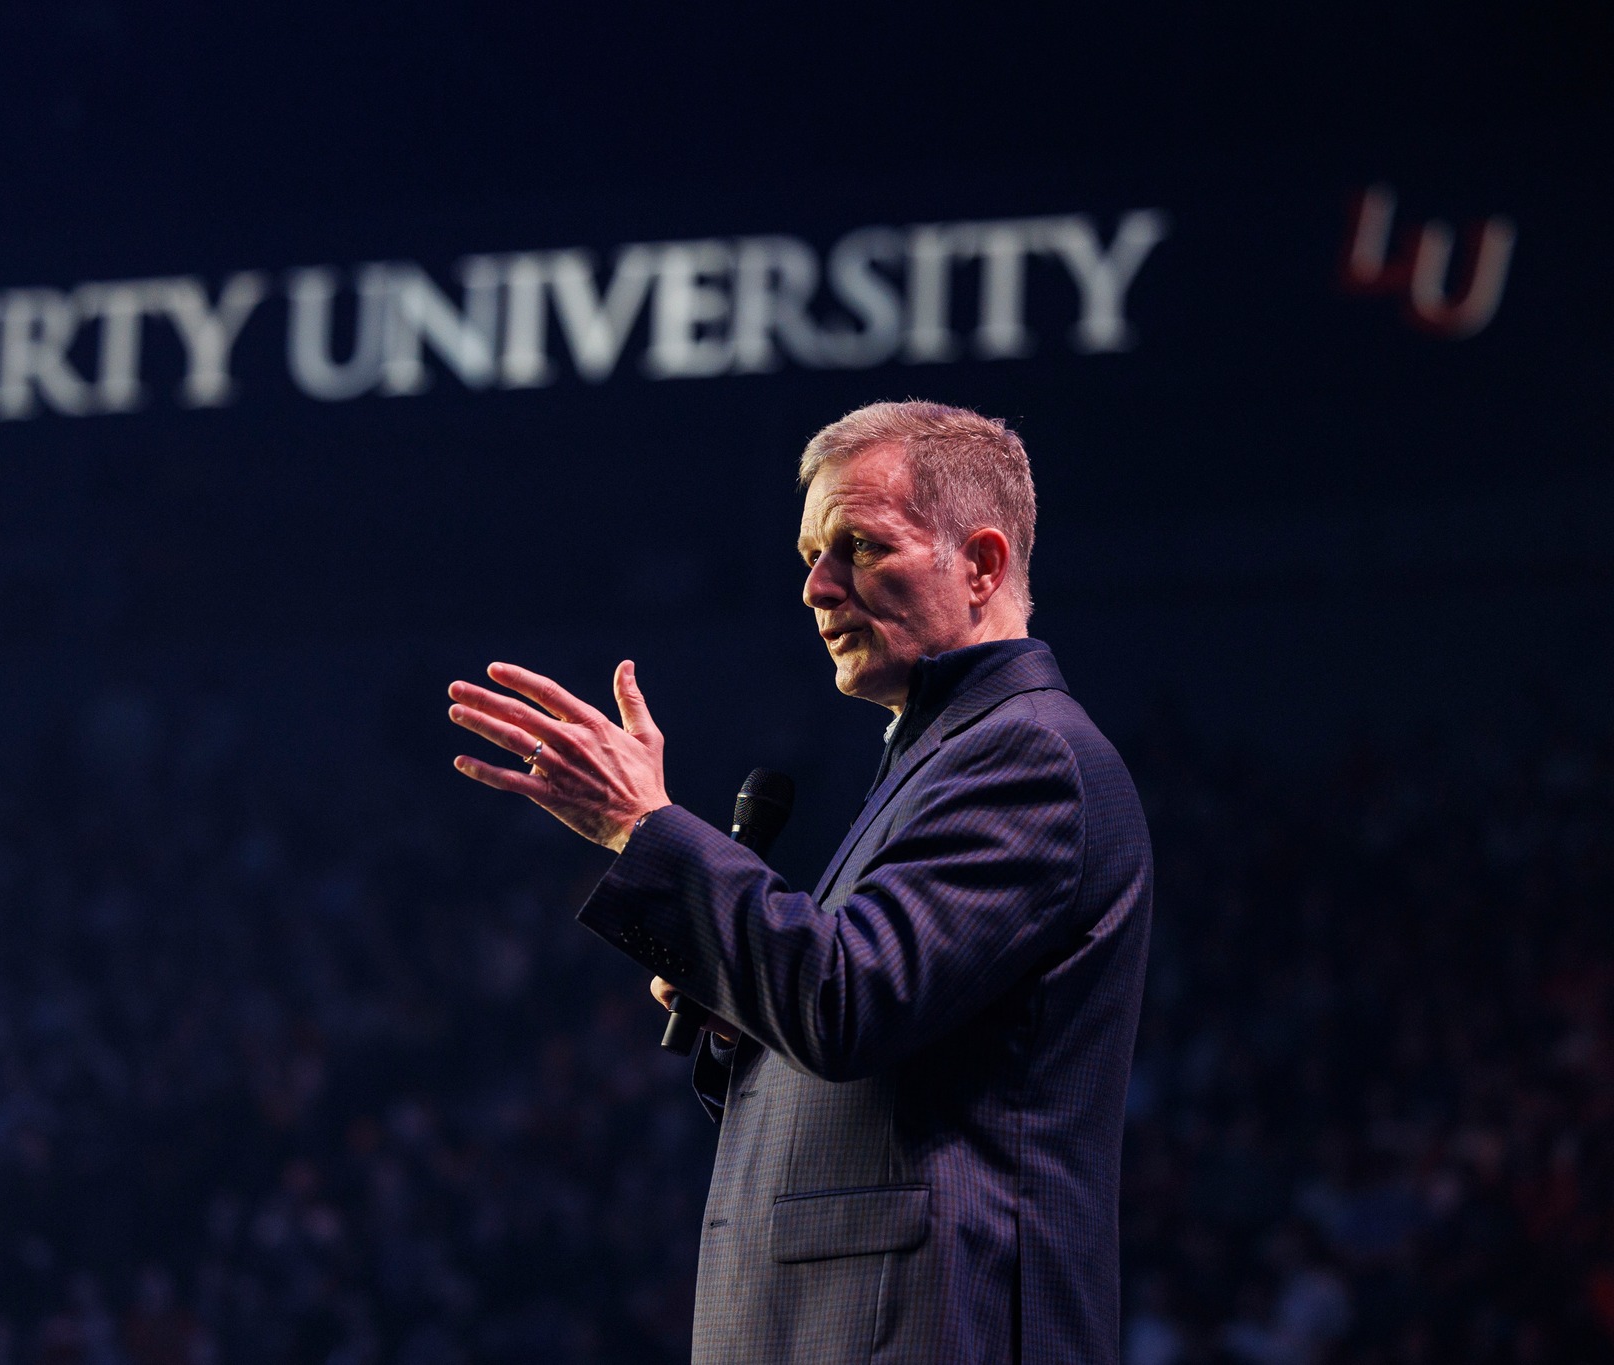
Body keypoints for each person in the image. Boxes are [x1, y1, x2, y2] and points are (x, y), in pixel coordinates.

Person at [448, 400, 1152, 1365]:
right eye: (810, 555)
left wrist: (639, 826)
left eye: (860, 547)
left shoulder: (1026, 756)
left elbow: (845, 1000)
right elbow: (873, 1045)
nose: (818, 587)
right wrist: (740, 1012)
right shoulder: (939, 759)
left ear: (982, 564)